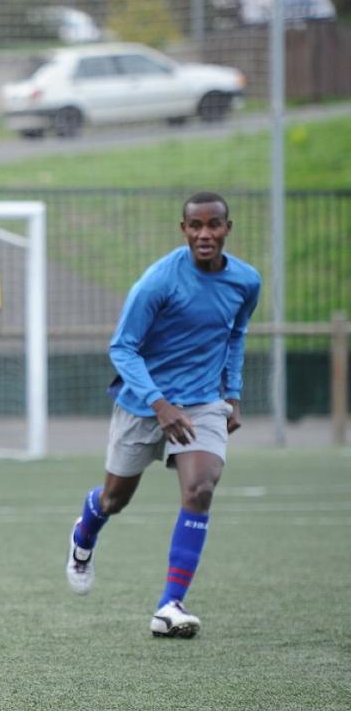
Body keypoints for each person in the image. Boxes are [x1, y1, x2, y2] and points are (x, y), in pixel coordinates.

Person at [65, 192, 260, 638]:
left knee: (200, 488)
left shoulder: (246, 282)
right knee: (115, 499)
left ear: (228, 228)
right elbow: (122, 347)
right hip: (142, 403)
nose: (205, 234)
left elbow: (237, 334)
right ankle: (84, 534)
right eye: (196, 226)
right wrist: (160, 404)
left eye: (214, 225)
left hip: (202, 403)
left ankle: (169, 605)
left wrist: (232, 393)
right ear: (183, 229)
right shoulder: (158, 282)